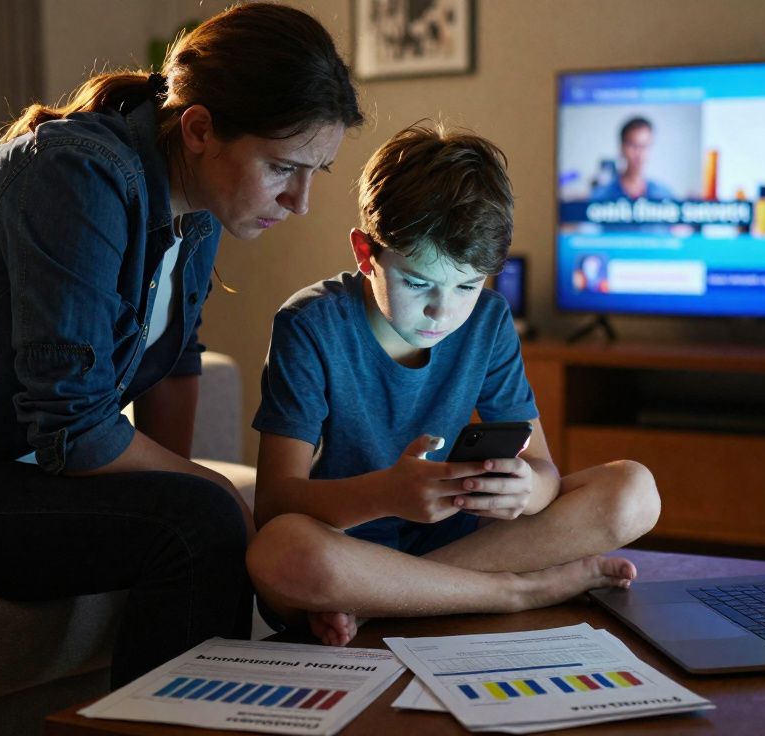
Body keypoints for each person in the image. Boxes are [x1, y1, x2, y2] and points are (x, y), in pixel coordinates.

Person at [0, 3, 362, 687]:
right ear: (199, 129)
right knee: (199, 522)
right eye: (285, 167)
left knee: (215, 513)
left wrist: (199, 484)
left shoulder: (197, 207)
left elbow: (175, 360)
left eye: (317, 170)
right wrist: (216, 496)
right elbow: (74, 433)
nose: (301, 202)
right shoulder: (77, 176)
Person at [246, 123, 661, 647]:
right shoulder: (311, 325)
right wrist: (386, 496)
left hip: (449, 547)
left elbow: (545, 474)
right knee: (278, 551)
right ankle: (512, 593)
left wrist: (526, 491)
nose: (443, 311)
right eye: (417, 282)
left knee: (634, 491)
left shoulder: (487, 321)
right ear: (365, 253)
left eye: (467, 285)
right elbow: (276, 505)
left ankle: (385, 604)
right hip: (348, 551)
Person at [591, 116, 675, 201]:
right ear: (622, 148)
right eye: (633, 145)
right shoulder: (601, 197)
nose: (639, 153)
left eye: (644, 146)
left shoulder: (664, 195)